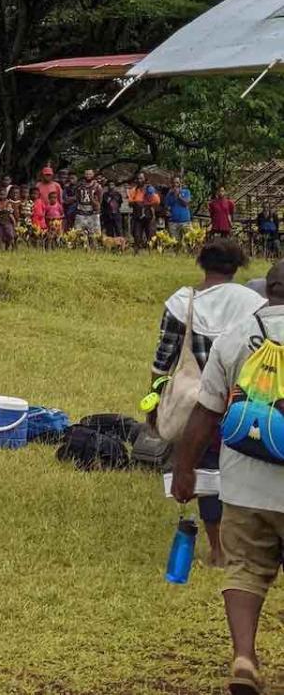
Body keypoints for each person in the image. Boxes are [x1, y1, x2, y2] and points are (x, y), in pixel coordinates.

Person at [171, 257, 284, 693]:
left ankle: (244, 657)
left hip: (244, 486)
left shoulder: (237, 336)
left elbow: (206, 412)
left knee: (244, 569)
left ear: (266, 290)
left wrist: (185, 469)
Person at [167, 174, 194, 240]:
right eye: (174, 183)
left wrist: (180, 196)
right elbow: (167, 206)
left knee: (188, 242)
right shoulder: (170, 194)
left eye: (177, 183)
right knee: (174, 243)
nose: (175, 184)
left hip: (185, 222)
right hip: (173, 223)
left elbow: (187, 204)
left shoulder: (186, 191)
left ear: (180, 183)